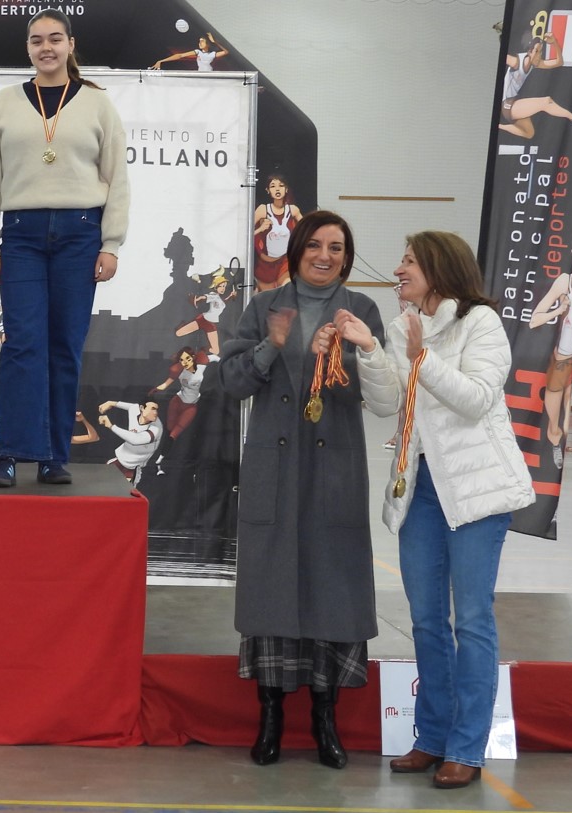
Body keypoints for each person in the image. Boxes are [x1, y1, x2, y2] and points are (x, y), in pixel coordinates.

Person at [341, 231, 534, 789]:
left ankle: (466, 748)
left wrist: (421, 356)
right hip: (419, 490)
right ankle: (431, 737)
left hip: (475, 492)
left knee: (471, 620)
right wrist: (371, 350)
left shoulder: (482, 323)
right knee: (426, 620)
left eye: (408, 261)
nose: (398, 270)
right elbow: (387, 404)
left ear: (437, 268)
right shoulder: (404, 326)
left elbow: (475, 399)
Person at [219, 210, 383, 770]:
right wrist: (271, 345)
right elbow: (232, 382)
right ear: (295, 251)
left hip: (334, 467)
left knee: (332, 586)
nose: (324, 256)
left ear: (347, 257)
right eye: (315, 245)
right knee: (272, 585)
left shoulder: (361, 310)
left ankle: (324, 718)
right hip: (276, 464)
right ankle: (269, 717)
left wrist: (341, 353)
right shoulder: (264, 307)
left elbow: (374, 390)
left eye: (336, 248)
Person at [0, 8, 130, 487]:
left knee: (64, 346)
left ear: (70, 45)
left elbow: (117, 179)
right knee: (22, 343)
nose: (46, 47)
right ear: (27, 48)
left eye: (55, 39)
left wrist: (111, 243)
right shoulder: (3, 104)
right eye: (37, 40)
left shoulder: (98, 104)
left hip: (81, 234)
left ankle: (52, 457)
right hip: (21, 234)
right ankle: (8, 453)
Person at [527, 231, 572, 470]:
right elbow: (534, 320)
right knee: (555, 423)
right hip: (562, 360)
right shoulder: (564, 282)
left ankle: (567, 453)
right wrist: (559, 310)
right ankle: (554, 443)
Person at [498, 33, 572, 139]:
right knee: (546, 102)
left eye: (540, 52)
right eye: (536, 51)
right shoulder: (517, 62)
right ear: (529, 52)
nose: (539, 55)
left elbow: (559, 62)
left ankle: (499, 126)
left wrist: (554, 43)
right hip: (506, 104)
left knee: (529, 133)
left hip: (513, 102)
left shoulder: (535, 63)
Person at [252, 174, 301, 291]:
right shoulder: (263, 210)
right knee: (267, 296)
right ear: (267, 190)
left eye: (281, 186)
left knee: (286, 288)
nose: (277, 189)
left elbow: (308, 229)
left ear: (286, 189)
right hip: (265, 264)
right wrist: (260, 229)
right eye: (273, 186)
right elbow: (245, 234)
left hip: (285, 262)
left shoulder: (293, 210)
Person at [97, 399, 162, 486]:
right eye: (152, 408)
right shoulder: (135, 410)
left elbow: (135, 440)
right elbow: (131, 406)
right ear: (142, 408)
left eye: (156, 409)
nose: (155, 412)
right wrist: (110, 403)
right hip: (118, 461)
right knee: (102, 486)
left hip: (133, 468)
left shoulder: (156, 428)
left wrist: (111, 426)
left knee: (124, 492)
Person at [151, 31, 229, 71]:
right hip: (200, 75)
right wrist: (161, 61)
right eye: (199, 41)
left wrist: (214, 42)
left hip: (210, 76)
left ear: (208, 44)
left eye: (202, 41)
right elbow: (180, 55)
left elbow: (226, 52)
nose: (200, 43)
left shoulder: (212, 54)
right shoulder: (198, 52)